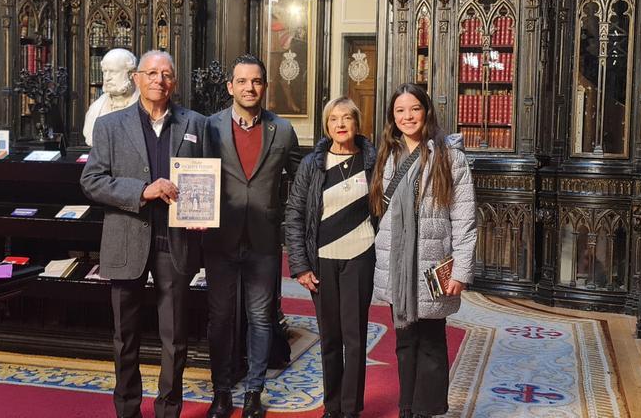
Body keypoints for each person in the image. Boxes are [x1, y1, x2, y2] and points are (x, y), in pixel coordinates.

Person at [81, 50, 209, 418]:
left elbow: (209, 176)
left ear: (175, 81)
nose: (159, 80)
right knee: (126, 338)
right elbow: (91, 182)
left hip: (177, 242)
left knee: (175, 338)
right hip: (126, 241)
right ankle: (127, 410)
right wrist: (142, 191)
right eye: (151, 73)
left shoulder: (196, 124)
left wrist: (205, 209)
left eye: (166, 74)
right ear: (137, 78)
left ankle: (169, 409)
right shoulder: (109, 126)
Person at [369, 83, 477, 418]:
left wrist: (461, 270)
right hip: (398, 265)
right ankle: (406, 407)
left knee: (431, 341)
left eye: (413, 108)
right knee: (404, 341)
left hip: (432, 262)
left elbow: (465, 217)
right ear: (392, 117)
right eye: (399, 111)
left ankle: (426, 409)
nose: (407, 116)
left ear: (426, 111)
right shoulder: (387, 155)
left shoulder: (450, 156)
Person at [203, 54, 301, 418]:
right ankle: (222, 392)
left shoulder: (283, 130)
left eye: (256, 81)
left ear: (264, 86)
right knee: (221, 319)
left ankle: (254, 394)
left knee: (261, 319)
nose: (249, 87)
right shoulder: (208, 127)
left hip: (263, 241)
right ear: (230, 86)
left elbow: (301, 181)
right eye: (242, 81)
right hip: (219, 239)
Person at [284, 96, 377, 418]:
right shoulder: (313, 164)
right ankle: (332, 407)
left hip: (360, 256)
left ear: (356, 123)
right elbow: (295, 214)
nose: (340, 124)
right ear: (327, 125)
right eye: (334, 119)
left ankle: (350, 410)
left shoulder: (372, 161)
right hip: (322, 260)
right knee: (330, 339)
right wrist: (300, 266)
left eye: (347, 118)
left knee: (355, 338)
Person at [83, 48, 141, 146]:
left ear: (131, 74)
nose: (107, 77)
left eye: (113, 72)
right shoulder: (96, 108)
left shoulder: (146, 105)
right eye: (105, 72)